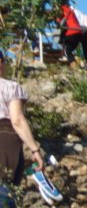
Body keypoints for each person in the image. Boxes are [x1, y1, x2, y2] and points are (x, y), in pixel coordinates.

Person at [0, 50, 44, 193]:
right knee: (5, 191)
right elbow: (17, 120)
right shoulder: (9, 87)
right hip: (4, 140)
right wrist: (35, 149)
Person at [56, 2, 82, 69]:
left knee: (67, 51)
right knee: (69, 50)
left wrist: (56, 19)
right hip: (78, 32)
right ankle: (73, 62)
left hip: (71, 32)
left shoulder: (62, 10)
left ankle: (74, 66)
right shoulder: (71, 10)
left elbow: (59, 22)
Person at [72, 6, 87, 70]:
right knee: (86, 51)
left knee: (72, 48)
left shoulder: (74, 14)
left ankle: (75, 63)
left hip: (80, 31)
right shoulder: (86, 17)